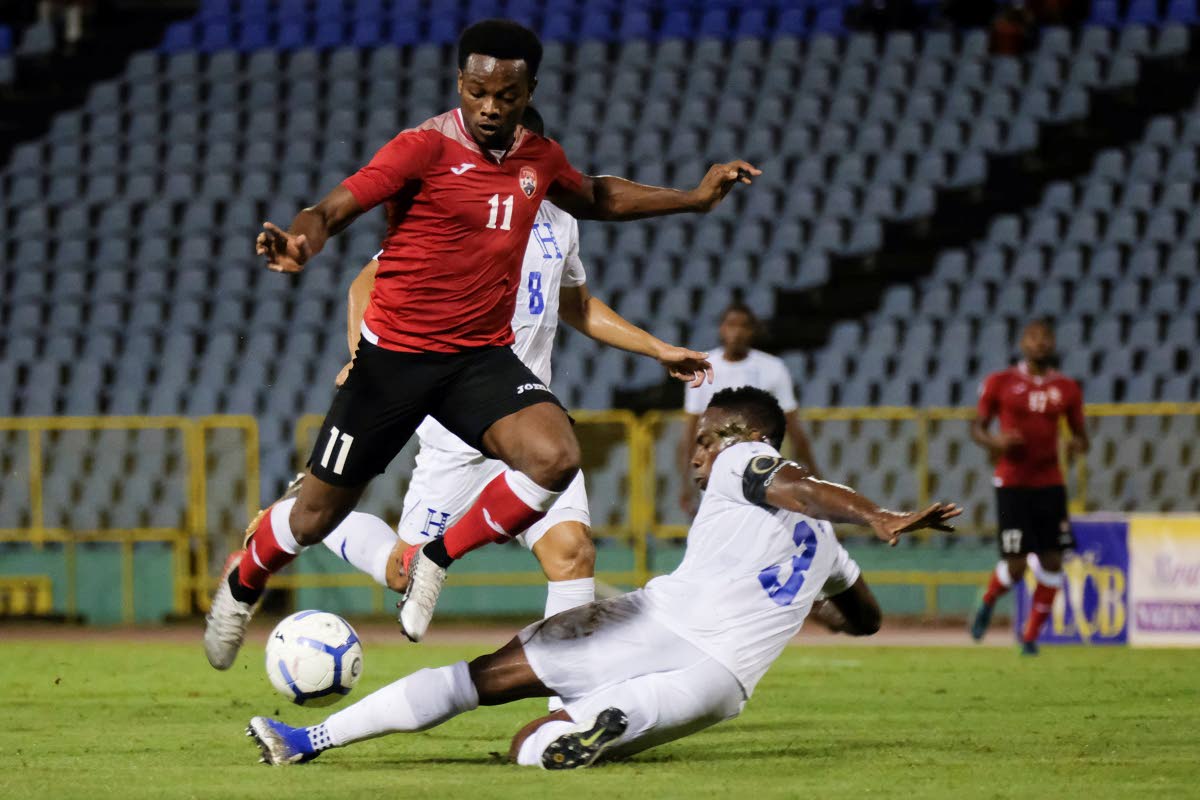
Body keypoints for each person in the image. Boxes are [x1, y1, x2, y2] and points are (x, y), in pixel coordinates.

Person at [204, 18, 757, 668]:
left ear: (529, 92)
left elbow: (599, 196)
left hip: (477, 360)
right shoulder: (421, 148)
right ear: (460, 84)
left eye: (506, 95)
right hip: (395, 361)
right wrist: (301, 242)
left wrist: (693, 198)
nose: (490, 106)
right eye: (477, 92)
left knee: (554, 458)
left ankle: (447, 566)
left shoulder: (539, 160)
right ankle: (244, 582)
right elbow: (330, 211)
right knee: (314, 519)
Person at [246, 387, 962, 769]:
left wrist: (881, 514)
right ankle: (599, 722)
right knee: (533, 747)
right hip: (719, 688)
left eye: (709, 436)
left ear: (747, 439)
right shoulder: (831, 555)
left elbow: (798, 486)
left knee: (481, 680)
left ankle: (311, 742)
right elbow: (863, 618)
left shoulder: (749, 463)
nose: (698, 451)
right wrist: (811, 601)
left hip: (651, 626)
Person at [308, 106, 714, 657]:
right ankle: (310, 518)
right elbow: (367, 281)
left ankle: (566, 708)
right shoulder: (458, 202)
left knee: (572, 552)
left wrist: (656, 347)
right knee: (405, 573)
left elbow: (580, 307)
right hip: (455, 429)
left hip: (526, 420)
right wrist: (363, 355)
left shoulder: (561, 221)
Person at [968, 319, 1088, 654]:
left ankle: (1031, 636)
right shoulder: (1000, 382)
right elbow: (976, 428)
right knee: (1017, 564)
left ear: (1052, 343)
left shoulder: (1067, 388)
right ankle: (988, 601)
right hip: (1012, 484)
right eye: (1033, 337)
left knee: (1052, 561)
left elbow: (1081, 436)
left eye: (1045, 337)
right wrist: (996, 441)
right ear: (1023, 343)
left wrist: (1076, 446)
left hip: (1050, 484)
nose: (1039, 343)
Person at [677, 300, 818, 514]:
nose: (737, 332)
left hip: (761, 470)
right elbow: (690, 432)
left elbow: (794, 428)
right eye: (731, 325)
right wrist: (685, 482)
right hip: (715, 470)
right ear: (721, 328)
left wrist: (813, 475)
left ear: (753, 331)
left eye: (743, 326)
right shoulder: (702, 369)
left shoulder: (772, 368)